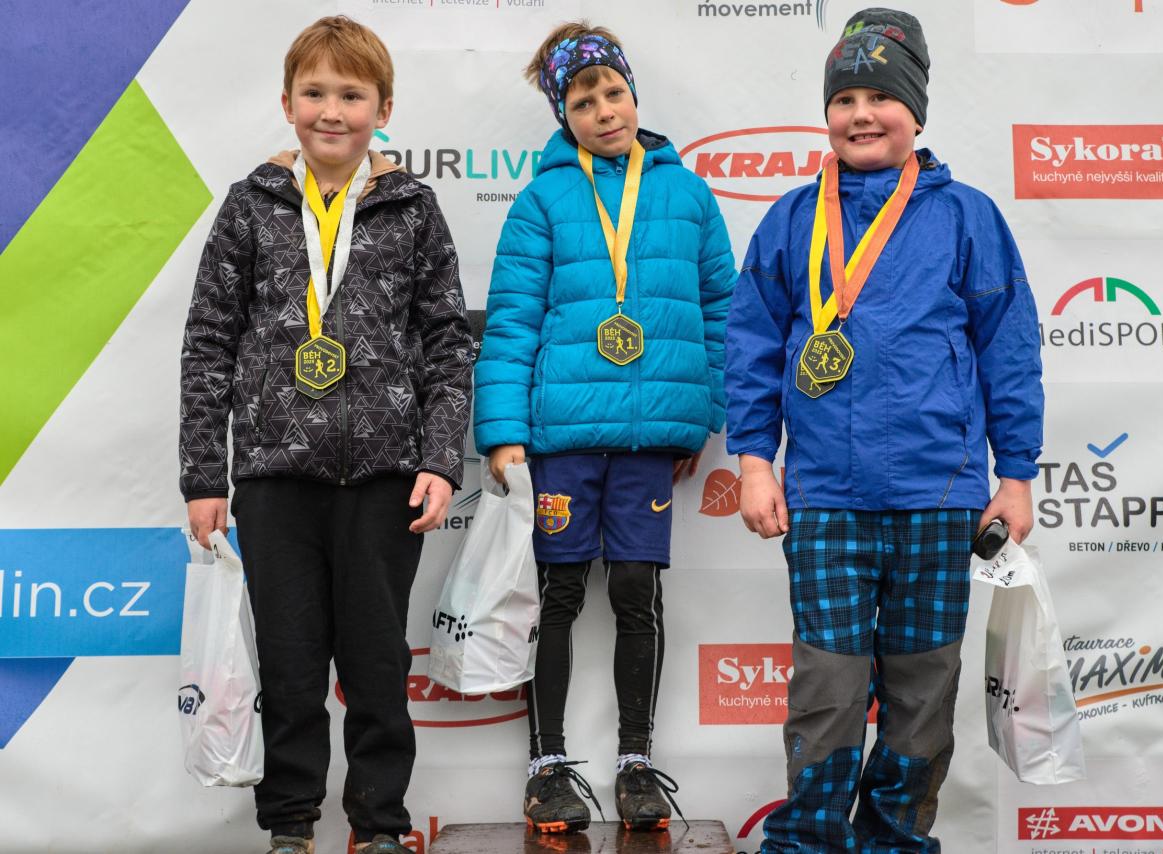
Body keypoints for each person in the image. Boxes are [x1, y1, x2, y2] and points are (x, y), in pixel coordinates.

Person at [724, 8, 1044, 852]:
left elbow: (1008, 352)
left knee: (923, 692)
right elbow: (752, 347)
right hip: (825, 497)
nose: (862, 114)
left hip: (939, 496)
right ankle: (807, 841)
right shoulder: (792, 218)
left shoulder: (967, 216)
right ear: (827, 112)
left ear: (917, 112)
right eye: (845, 99)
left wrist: (1015, 476)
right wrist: (755, 463)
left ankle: (896, 839)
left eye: (881, 97)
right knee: (827, 691)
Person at [178, 16, 472, 854]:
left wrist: (440, 458)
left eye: (352, 94)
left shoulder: (413, 210)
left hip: (385, 476)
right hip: (274, 478)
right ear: (287, 103)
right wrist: (204, 476)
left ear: (384, 108)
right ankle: (291, 826)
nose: (332, 111)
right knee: (291, 664)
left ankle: (380, 827)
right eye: (315, 93)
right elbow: (209, 341)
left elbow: (448, 342)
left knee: (378, 663)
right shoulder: (251, 206)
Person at [472, 21, 737, 835]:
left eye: (614, 93)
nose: (604, 112)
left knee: (634, 591)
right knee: (554, 595)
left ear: (633, 94)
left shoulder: (688, 195)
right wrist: (503, 432)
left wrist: (701, 415)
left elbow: (723, 311)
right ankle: (546, 767)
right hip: (561, 435)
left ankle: (635, 762)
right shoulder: (542, 200)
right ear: (565, 115)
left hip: (650, 436)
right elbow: (512, 322)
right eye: (584, 103)